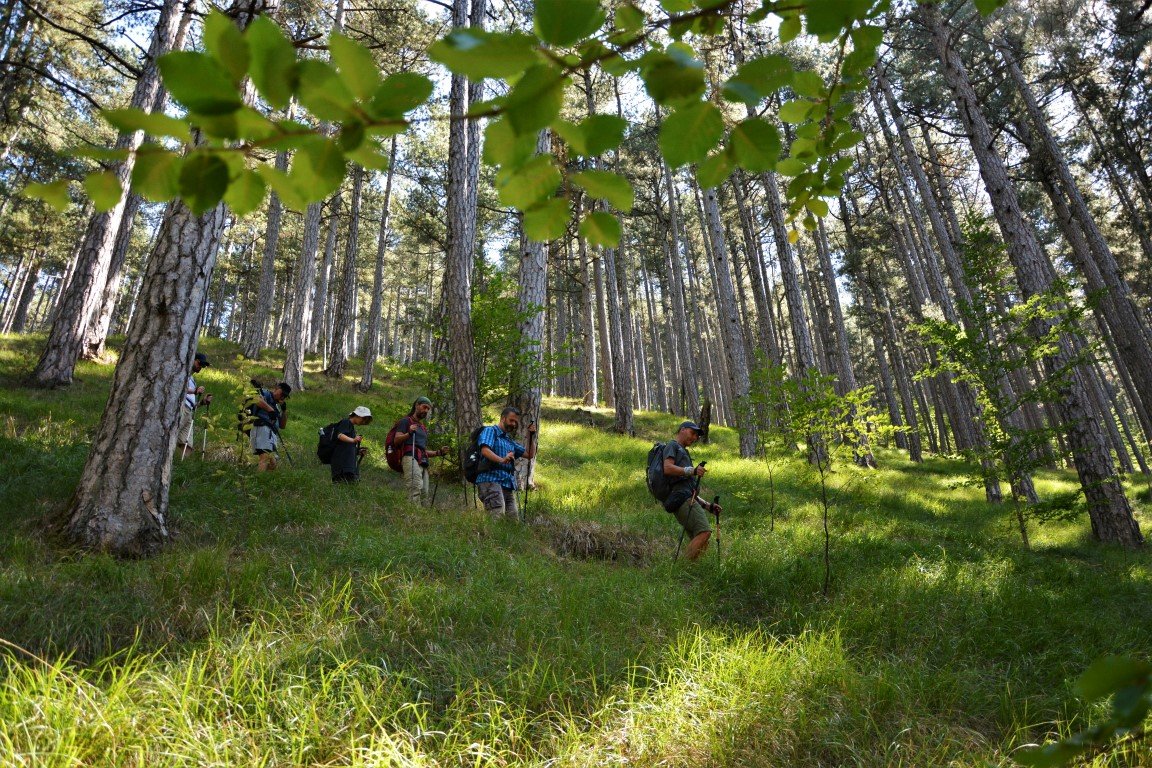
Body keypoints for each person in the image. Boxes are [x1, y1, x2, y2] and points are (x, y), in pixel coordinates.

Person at [662, 421, 722, 561]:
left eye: (697, 436)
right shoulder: (673, 445)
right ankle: (681, 568)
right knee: (704, 532)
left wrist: (708, 506)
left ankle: (690, 572)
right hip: (681, 499)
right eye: (692, 433)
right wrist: (692, 470)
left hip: (686, 497)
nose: (694, 438)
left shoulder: (684, 451)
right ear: (682, 430)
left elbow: (688, 488)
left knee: (700, 539)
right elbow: (667, 468)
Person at [476, 406, 537, 521]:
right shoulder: (490, 431)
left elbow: (529, 454)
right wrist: (502, 459)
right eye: (511, 420)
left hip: (507, 484)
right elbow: (485, 450)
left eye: (515, 422)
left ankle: (505, 539)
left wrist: (530, 436)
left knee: (513, 520)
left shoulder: (508, 440)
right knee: (496, 517)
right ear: (503, 418)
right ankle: (489, 538)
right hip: (490, 479)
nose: (513, 424)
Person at [391, 396, 444, 504]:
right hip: (409, 457)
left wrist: (438, 452)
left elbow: (422, 450)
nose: (426, 411)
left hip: (422, 460)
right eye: (424, 407)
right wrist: (409, 433)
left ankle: (421, 517)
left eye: (428, 409)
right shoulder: (405, 421)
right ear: (417, 405)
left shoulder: (422, 427)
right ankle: (412, 514)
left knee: (424, 492)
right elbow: (396, 440)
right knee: (415, 487)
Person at [177, 352, 213, 457]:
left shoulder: (192, 380)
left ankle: (182, 466)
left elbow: (193, 404)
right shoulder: (181, 372)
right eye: (199, 363)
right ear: (192, 360)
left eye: (203, 366)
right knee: (170, 436)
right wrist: (194, 391)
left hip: (189, 413)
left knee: (187, 444)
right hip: (181, 409)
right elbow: (178, 388)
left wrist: (203, 402)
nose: (201, 367)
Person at [250, 381, 291, 472]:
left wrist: (284, 411)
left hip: (272, 434)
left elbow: (282, 425)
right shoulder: (266, 393)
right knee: (264, 457)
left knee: (273, 464)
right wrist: (270, 410)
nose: (283, 397)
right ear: (276, 389)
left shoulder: (277, 406)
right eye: (282, 394)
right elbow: (256, 399)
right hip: (262, 428)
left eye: (285, 396)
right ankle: (257, 481)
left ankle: (259, 478)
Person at [332, 406, 371, 483]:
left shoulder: (351, 427)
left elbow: (346, 446)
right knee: (342, 484)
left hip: (347, 465)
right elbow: (340, 435)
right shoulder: (346, 422)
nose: (363, 422)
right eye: (363, 419)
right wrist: (353, 440)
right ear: (357, 415)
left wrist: (358, 451)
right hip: (342, 465)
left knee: (350, 485)